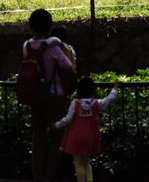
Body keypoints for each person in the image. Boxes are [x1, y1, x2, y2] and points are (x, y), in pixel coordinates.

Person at [25, 9, 76, 182]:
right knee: (57, 139)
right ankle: (49, 178)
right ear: (49, 26)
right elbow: (69, 68)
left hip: (35, 96)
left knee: (38, 138)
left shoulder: (27, 46)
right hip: (53, 96)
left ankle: (37, 178)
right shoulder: (52, 47)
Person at [53, 76, 120, 182]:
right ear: (93, 90)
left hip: (75, 136)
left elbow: (67, 119)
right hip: (89, 136)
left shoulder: (75, 103)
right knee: (86, 162)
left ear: (78, 90)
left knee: (78, 163)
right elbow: (109, 99)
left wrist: (56, 125)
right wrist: (115, 88)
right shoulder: (96, 104)